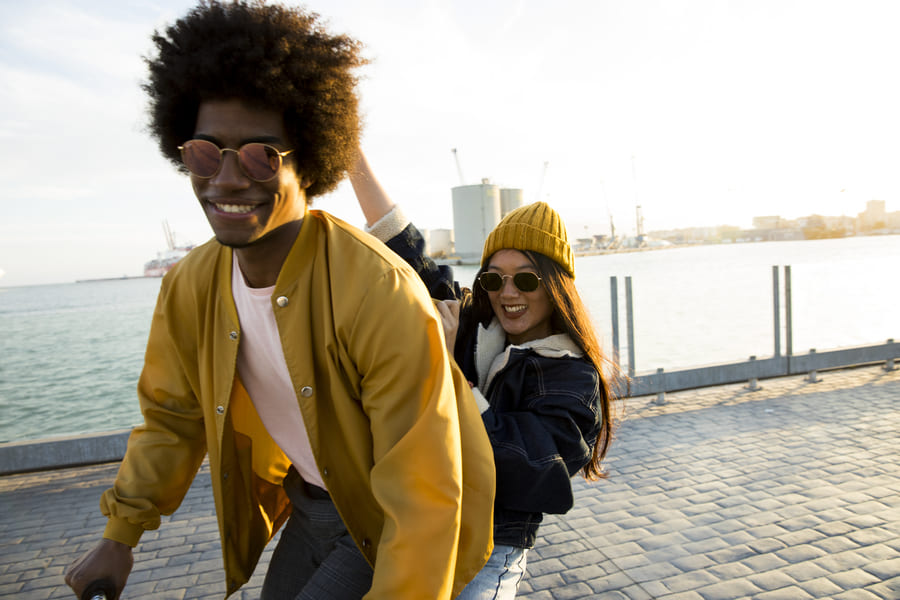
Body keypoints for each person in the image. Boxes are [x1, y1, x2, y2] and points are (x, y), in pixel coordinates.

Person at [63, 3, 495, 599]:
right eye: (205, 152)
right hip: (310, 505)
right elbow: (173, 415)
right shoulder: (190, 285)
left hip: (387, 519)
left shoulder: (379, 291)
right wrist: (120, 535)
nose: (229, 179)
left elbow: (424, 491)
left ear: (310, 162)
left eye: (263, 155)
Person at [351, 151, 617, 599]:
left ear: (556, 286)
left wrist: (451, 371)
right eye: (494, 280)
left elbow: (532, 472)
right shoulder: (474, 321)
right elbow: (401, 245)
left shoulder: (573, 379)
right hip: (418, 528)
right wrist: (349, 153)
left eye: (526, 280)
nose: (507, 294)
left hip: (493, 549)